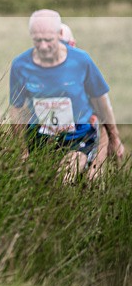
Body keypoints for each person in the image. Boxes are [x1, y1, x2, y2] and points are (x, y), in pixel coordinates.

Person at [9, 10, 125, 183]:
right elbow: (16, 109)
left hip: (78, 139)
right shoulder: (20, 65)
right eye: (37, 40)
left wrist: (113, 142)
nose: (43, 46)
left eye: (48, 40)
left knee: (65, 176)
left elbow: (102, 107)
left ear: (59, 34)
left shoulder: (82, 61)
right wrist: (21, 150)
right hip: (40, 139)